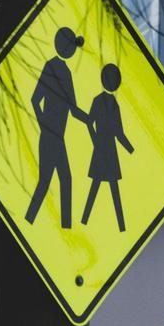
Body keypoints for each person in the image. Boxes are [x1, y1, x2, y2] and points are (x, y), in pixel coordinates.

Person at [25, 27, 86, 228]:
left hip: (58, 137)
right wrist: (45, 127)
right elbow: (35, 100)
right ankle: (30, 221)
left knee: (63, 180)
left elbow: (73, 109)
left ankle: (65, 227)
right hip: (51, 136)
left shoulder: (66, 73)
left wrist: (91, 119)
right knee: (46, 182)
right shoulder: (51, 67)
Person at [81, 63, 135, 232]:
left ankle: (121, 226)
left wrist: (130, 149)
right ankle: (84, 220)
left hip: (109, 150)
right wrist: (95, 140)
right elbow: (89, 122)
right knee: (95, 186)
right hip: (103, 148)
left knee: (113, 189)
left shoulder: (114, 104)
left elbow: (119, 133)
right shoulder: (99, 101)